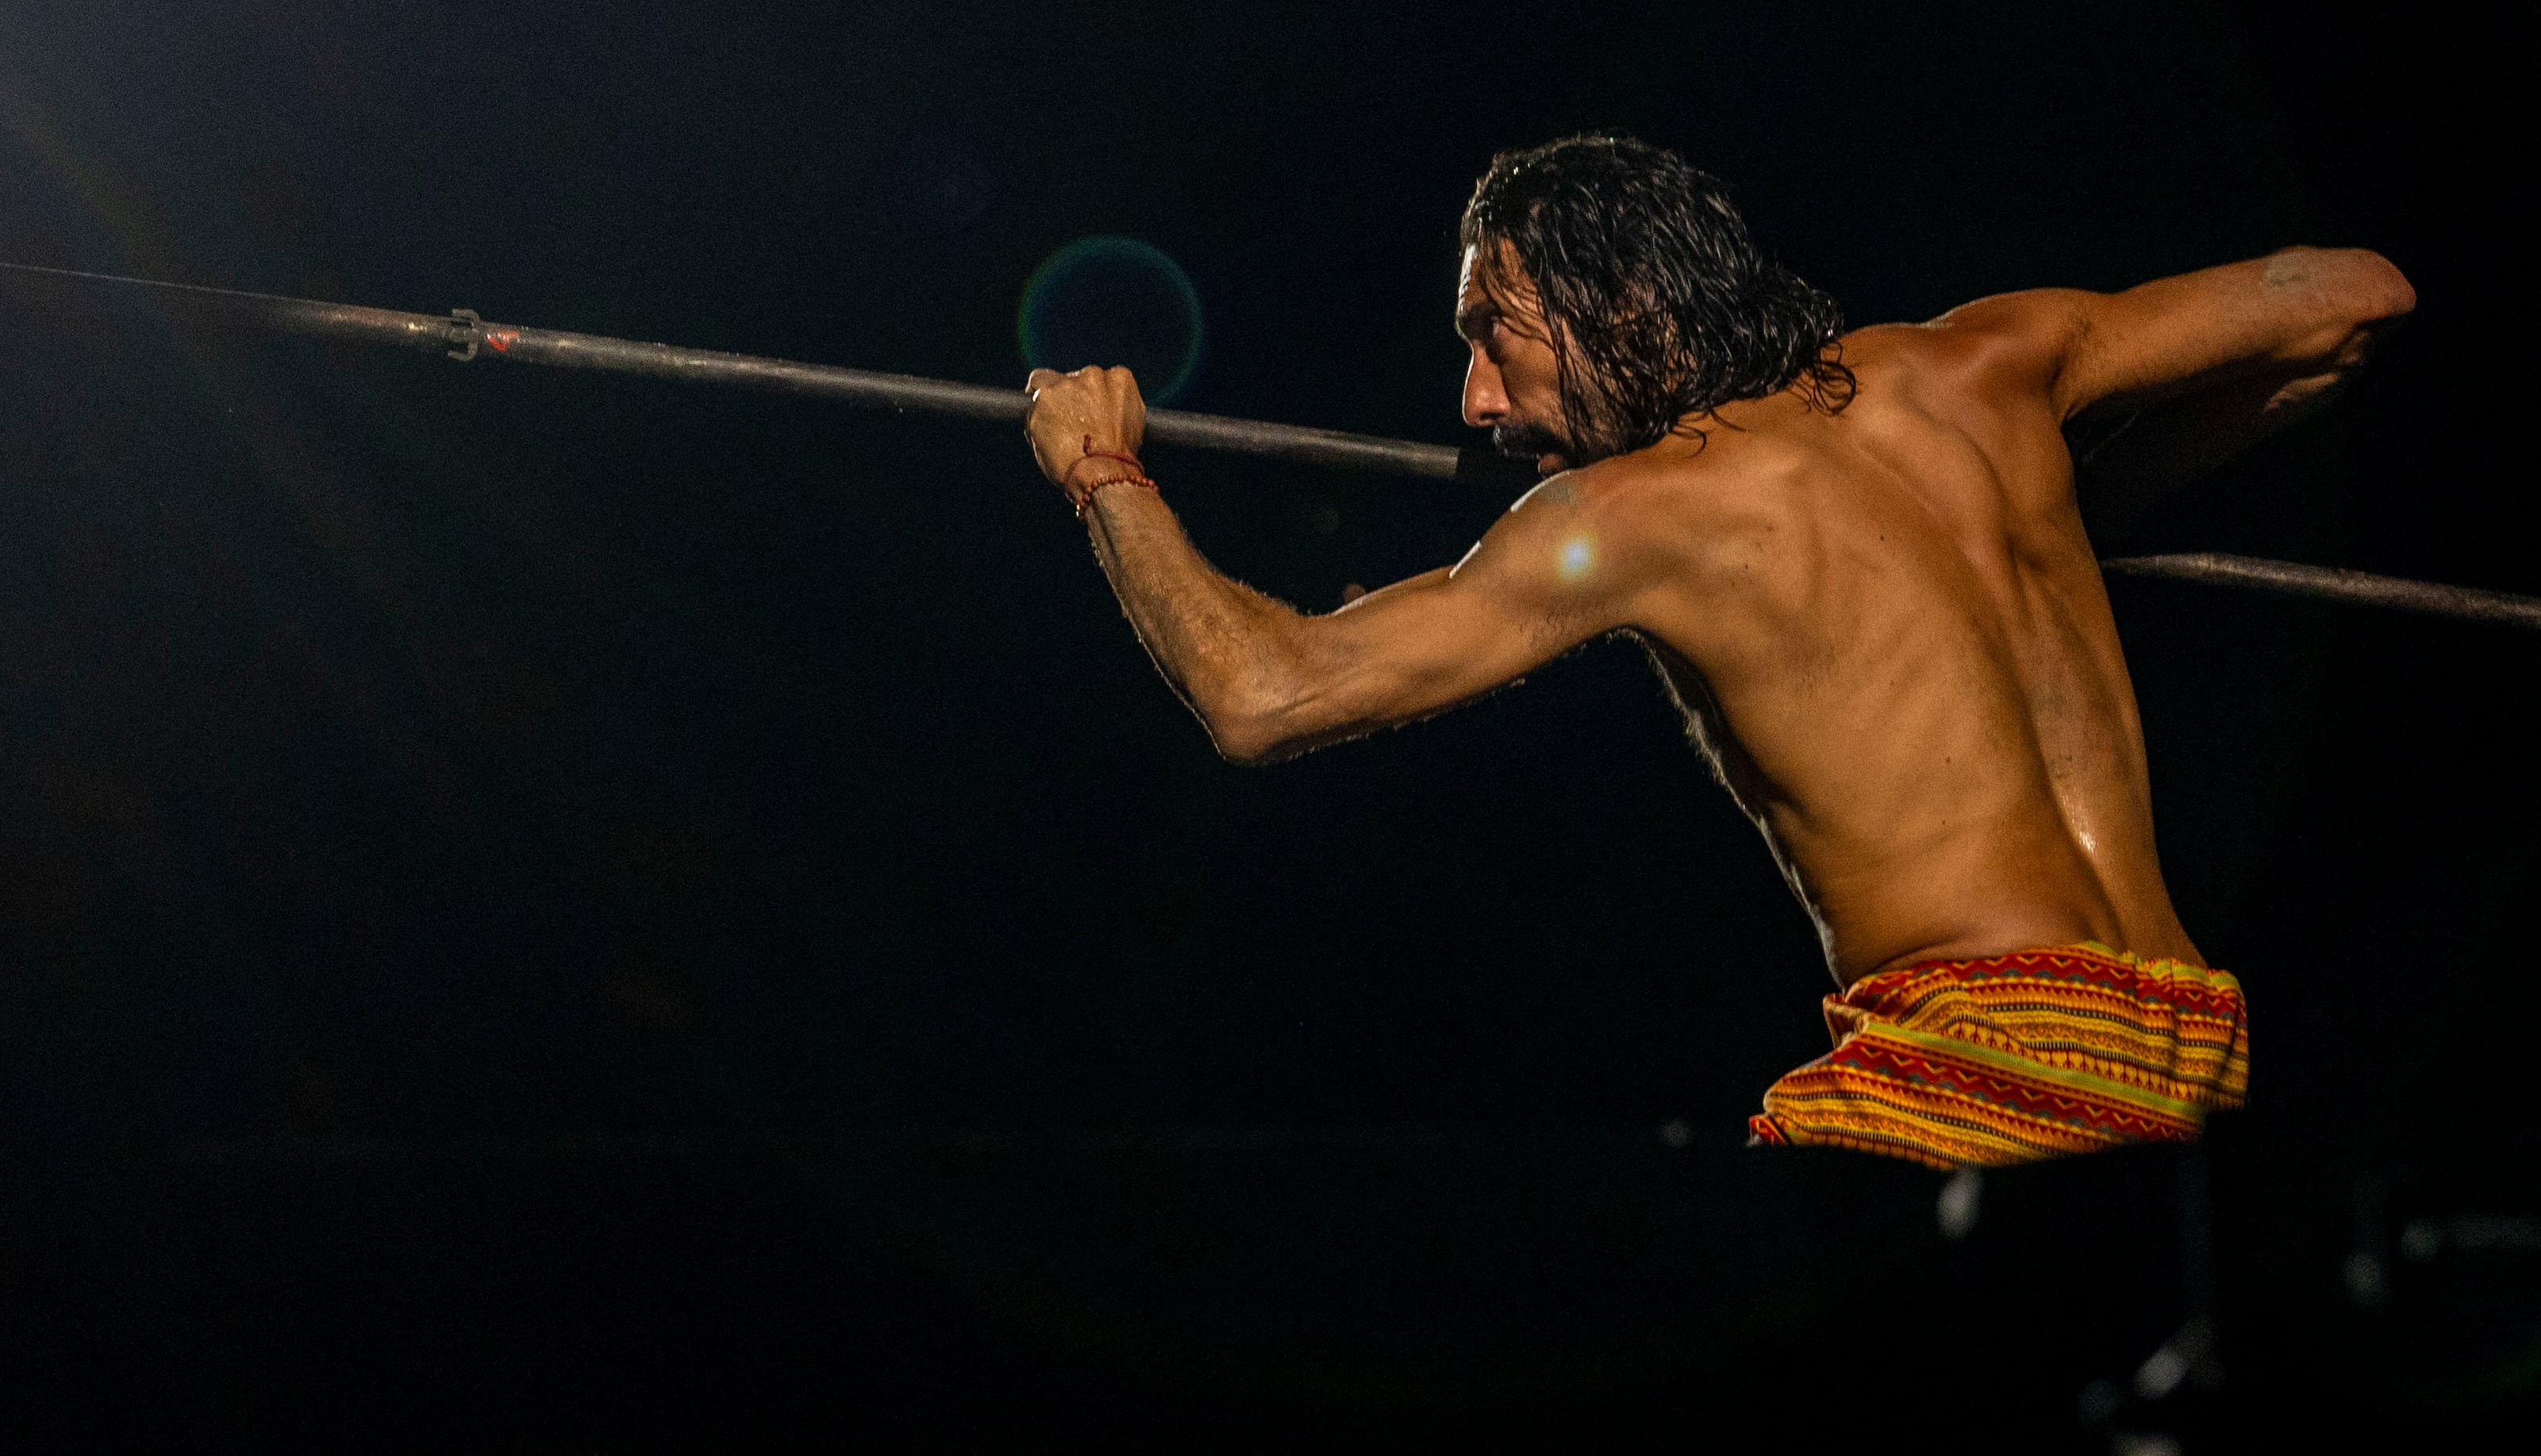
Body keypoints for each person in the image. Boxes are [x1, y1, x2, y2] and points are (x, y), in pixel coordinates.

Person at [1021, 134, 2411, 1167]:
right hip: (2189, 1047)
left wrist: (1104, 477)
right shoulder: (1992, 364)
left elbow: (1267, 693)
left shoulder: (1641, 512)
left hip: (1980, 1066)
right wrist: (2057, 508)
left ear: (1626, 305)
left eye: (1493, 335)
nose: (1476, 400)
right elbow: (2350, 299)